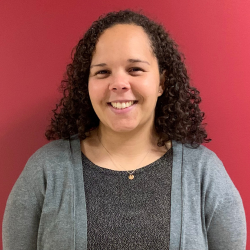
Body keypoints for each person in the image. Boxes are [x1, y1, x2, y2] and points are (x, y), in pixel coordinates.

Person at [2, 9, 246, 250]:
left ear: (161, 82)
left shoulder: (204, 173)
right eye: (102, 72)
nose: (118, 83)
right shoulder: (46, 170)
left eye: (135, 69)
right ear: (86, 85)